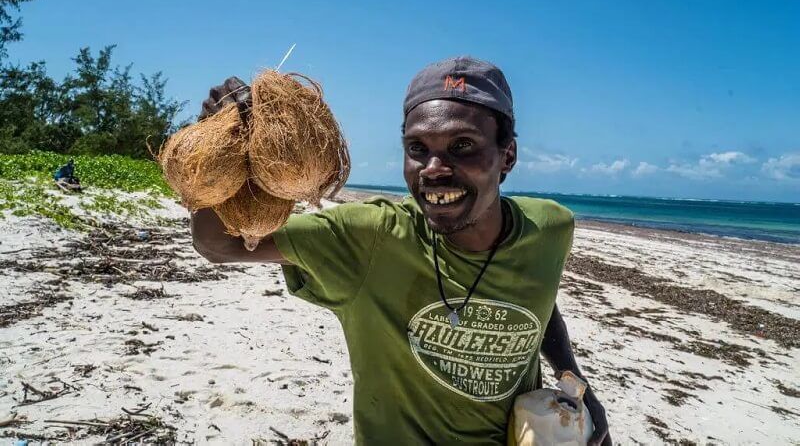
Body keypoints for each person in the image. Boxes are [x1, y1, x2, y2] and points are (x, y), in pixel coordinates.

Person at [191, 57, 611, 445]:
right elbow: (217, 244)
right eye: (417, 149)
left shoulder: (550, 228)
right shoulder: (367, 238)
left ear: (508, 156)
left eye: (461, 146)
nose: (433, 169)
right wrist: (219, 139)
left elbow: (539, 297)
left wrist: (571, 378)